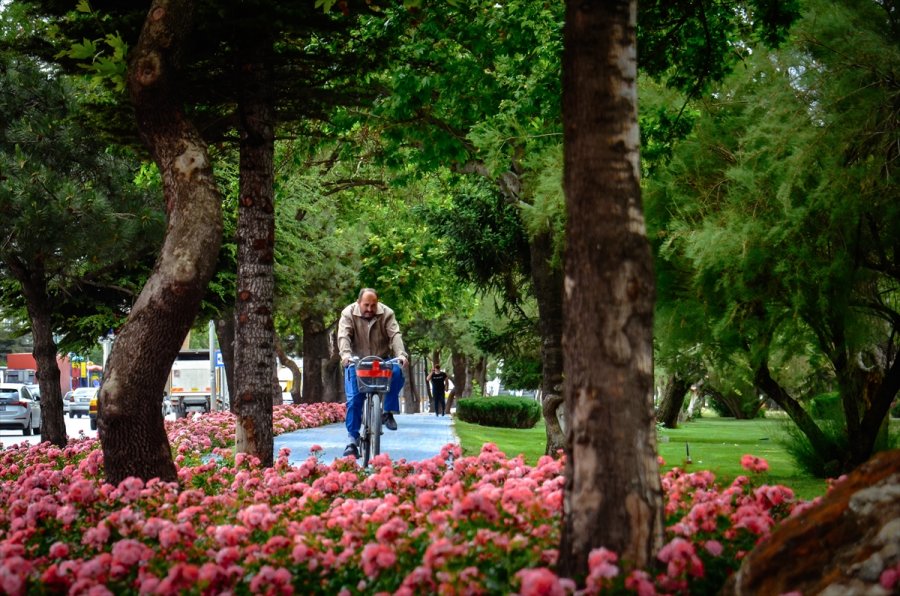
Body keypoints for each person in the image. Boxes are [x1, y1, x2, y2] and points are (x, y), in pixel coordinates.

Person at [337, 288, 408, 458]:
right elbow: (343, 336)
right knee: (354, 400)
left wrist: (401, 355)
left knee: (397, 372)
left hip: (380, 361)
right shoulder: (348, 313)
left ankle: (387, 412)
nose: (369, 309)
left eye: (373, 305)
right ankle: (352, 440)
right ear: (358, 302)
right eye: (366, 305)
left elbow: (395, 335)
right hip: (357, 362)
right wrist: (345, 355)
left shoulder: (387, 314)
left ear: (378, 303)